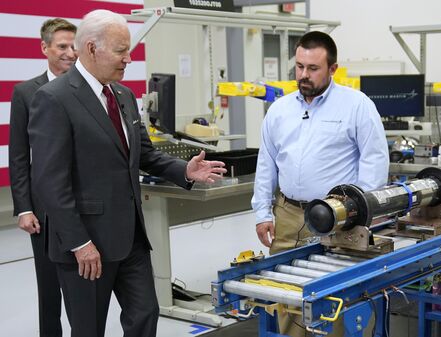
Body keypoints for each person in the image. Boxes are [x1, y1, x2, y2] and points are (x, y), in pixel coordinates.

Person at [27, 10, 226, 337]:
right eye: (121, 51)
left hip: (130, 238)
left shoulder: (123, 96)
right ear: (92, 49)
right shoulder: (53, 99)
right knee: (88, 328)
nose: (129, 59)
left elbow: (143, 154)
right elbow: (50, 182)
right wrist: (79, 243)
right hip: (85, 244)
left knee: (145, 315)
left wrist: (184, 170)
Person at [251, 31, 389, 336]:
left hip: (339, 218)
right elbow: (267, 165)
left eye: (313, 68)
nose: (304, 75)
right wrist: (262, 212)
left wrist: (360, 215)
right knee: (287, 299)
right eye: (299, 67)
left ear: (333, 69)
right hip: (287, 216)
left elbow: (374, 163)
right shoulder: (280, 110)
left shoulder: (357, 106)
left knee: (337, 300)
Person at [9, 17, 77, 337]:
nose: (70, 53)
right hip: (44, 209)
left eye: (73, 46)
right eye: (62, 46)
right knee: (49, 289)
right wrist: (24, 208)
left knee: (85, 286)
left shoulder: (87, 88)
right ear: (44, 48)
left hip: (85, 203)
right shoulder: (25, 93)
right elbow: (19, 155)